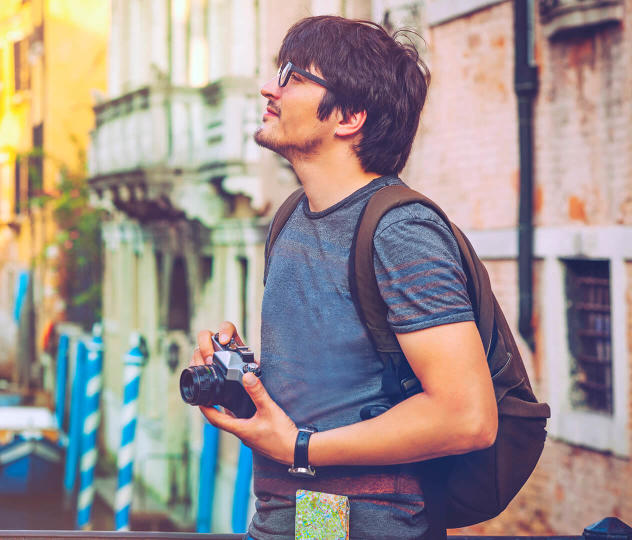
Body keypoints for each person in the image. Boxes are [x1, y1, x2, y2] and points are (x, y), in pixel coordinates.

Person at [190, 16, 498, 539]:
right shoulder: (292, 216)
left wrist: (300, 448)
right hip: (289, 510)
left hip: (341, 518)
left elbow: (467, 416)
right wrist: (246, 377)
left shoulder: (400, 231)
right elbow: (336, 392)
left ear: (350, 116)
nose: (269, 87)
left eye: (292, 76)